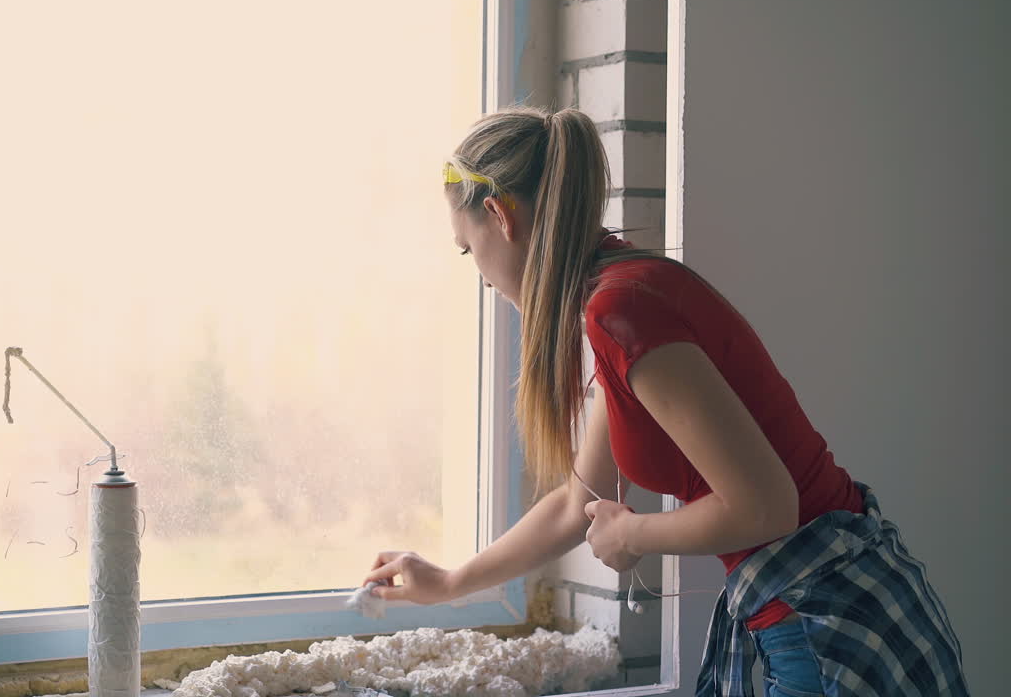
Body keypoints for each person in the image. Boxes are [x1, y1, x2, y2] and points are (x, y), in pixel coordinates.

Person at [361, 106, 967, 696]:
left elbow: (766, 507)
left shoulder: (621, 309)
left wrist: (634, 536)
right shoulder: (620, 292)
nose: (484, 279)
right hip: (843, 606)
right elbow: (580, 501)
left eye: (469, 251)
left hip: (829, 629)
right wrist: (448, 581)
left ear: (499, 214)